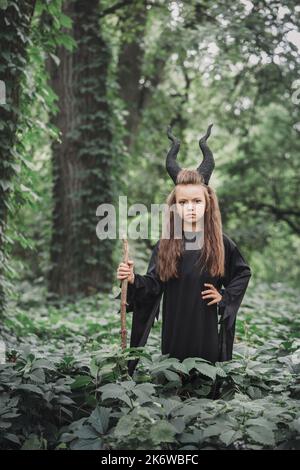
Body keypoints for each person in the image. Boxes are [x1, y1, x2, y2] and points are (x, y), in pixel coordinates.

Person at [116, 125, 252, 378]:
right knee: (174, 382)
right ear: (175, 206)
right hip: (174, 332)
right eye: (183, 202)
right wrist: (133, 279)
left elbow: (242, 273)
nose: (190, 207)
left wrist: (225, 298)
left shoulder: (221, 243)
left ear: (207, 203)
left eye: (197, 201)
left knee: (203, 381)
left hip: (206, 333)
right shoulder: (166, 244)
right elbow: (155, 285)